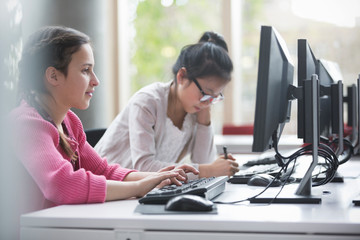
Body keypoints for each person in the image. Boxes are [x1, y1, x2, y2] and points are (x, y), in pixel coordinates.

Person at [9, 26, 198, 208]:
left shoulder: (70, 122)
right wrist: (138, 188)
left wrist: (155, 177)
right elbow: (61, 184)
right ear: (53, 76)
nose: (95, 80)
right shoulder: (26, 124)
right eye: (85, 70)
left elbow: (103, 171)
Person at [95, 31, 239, 178]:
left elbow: (204, 163)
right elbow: (144, 167)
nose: (208, 102)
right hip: (106, 188)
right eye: (206, 92)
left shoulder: (195, 110)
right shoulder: (147, 102)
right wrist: (208, 170)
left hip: (144, 192)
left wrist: (204, 117)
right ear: (182, 76)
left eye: (215, 97)